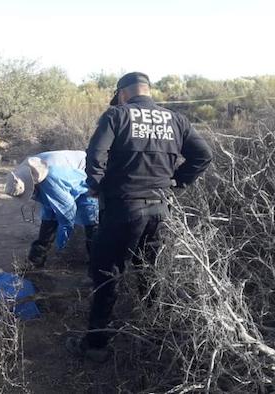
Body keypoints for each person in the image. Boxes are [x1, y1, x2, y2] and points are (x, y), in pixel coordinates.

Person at [65, 72, 213, 362]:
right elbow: (203, 155)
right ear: (147, 91)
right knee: (150, 273)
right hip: (160, 209)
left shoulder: (117, 116)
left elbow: (96, 154)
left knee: (108, 274)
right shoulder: (175, 119)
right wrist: (176, 183)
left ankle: (96, 345)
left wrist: (95, 184)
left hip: (123, 208)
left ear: (123, 94)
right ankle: (155, 339)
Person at [4, 151, 98, 268]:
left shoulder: (50, 181)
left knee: (90, 219)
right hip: (61, 174)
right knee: (49, 216)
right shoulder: (24, 173)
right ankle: (36, 261)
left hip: (89, 174)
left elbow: (68, 212)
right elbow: (51, 205)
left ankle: (97, 265)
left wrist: (61, 244)